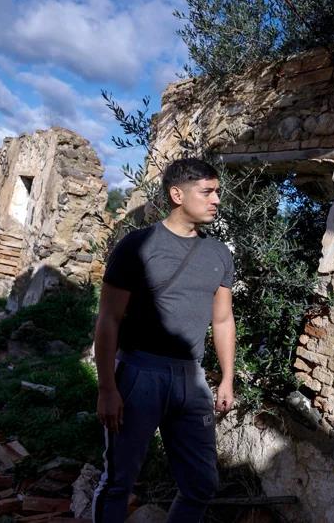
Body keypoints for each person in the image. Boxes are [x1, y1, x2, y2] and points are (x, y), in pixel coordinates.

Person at [92, 158, 236, 522]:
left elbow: (222, 319)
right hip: (139, 373)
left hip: (192, 379)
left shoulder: (219, 253)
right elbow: (108, 319)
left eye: (217, 191)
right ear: (177, 194)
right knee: (119, 482)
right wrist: (107, 387)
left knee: (201, 484)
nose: (216, 199)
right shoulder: (137, 247)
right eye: (207, 192)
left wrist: (227, 379)